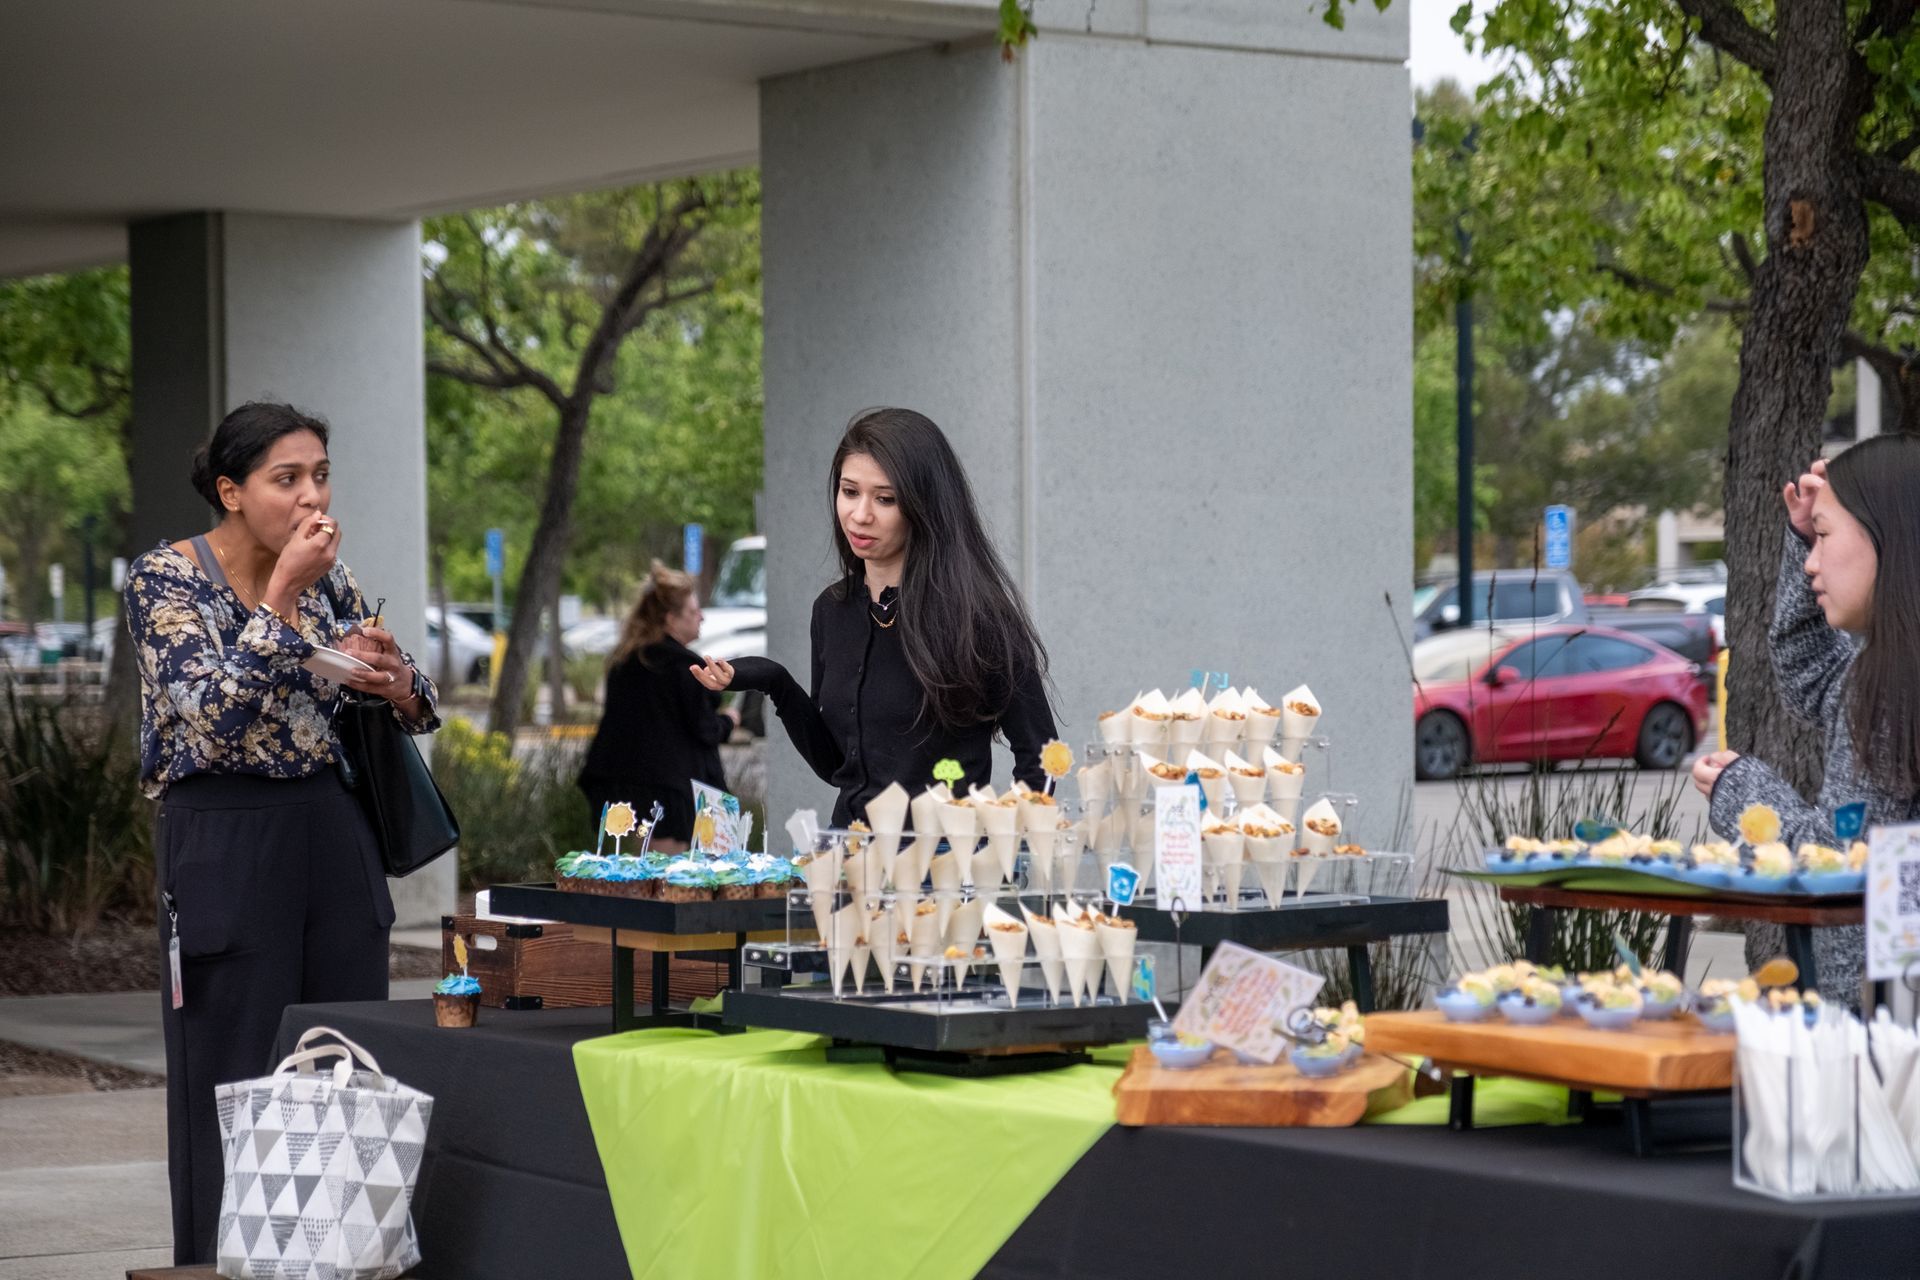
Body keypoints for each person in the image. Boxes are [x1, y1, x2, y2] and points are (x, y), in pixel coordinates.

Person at [123, 402, 440, 1265]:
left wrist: (397, 680)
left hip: (330, 831)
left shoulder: (331, 576)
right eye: (286, 479)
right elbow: (214, 717)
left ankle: (346, 1257)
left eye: (321, 475)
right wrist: (282, 596)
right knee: (233, 1058)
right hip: (222, 835)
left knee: (346, 1048)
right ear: (231, 490)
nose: (312, 497)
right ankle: (219, 1261)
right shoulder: (166, 579)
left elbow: (420, 707)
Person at [693, 407, 1057, 827]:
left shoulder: (980, 616)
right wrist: (774, 682)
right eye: (850, 491)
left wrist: (997, 852)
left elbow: (1043, 759)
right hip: (848, 860)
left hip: (945, 873)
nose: (860, 514)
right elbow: (836, 767)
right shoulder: (832, 610)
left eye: (885, 499)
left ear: (925, 506)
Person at [1692, 438, 1920, 1005]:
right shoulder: (1889, 665)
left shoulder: (1892, 687)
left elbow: (1839, 861)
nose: (1812, 561)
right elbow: (1812, 669)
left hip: (1891, 1029)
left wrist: (1741, 793)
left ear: (1886, 534)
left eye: (1823, 537)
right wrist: (1801, 536)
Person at [578, 563, 739, 850]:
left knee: (628, 881)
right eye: (692, 612)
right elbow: (705, 729)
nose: (701, 617)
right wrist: (729, 720)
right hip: (666, 796)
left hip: (616, 790)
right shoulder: (685, 667)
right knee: (670, 883)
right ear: (670, 619)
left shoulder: (624, 660)